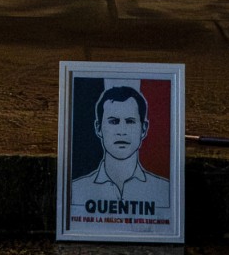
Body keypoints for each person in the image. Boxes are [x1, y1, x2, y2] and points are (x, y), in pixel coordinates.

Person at [69, 85, 173, 220]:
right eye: (113, 121)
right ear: (98, 128)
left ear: (144, 129)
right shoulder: (75, 190)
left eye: (130, 121)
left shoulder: (166, 191)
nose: (122, 131)